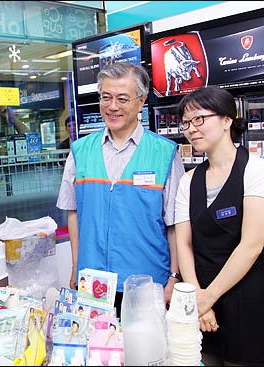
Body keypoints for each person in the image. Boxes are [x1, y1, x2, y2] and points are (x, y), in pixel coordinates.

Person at [56, 62, 185, 317]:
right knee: (98, 352)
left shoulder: (165, 153)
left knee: (145, 352)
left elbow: (175, 224)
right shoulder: (80, 151)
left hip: (146, 281)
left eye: (122, 99)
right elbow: (73, 212)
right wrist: (75, 266)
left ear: (141, 101)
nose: (112, 106)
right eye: (106, 97)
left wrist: (174, 276)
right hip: (93, 281)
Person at [174, 86, 264, 366]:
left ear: (227, 120)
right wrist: (197, 296)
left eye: (199, 119)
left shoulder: (257, 171)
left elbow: (250, 246)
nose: (191, 129)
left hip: (246, 299)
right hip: (202, 299)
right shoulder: (189, 181)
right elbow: (184, 243)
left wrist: (205, 299)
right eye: (186, 122)